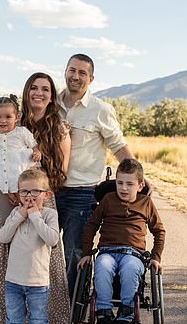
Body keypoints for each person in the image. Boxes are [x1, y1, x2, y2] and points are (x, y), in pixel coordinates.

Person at [0, 73, 71, 324]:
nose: (39, 93)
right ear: (25, 93)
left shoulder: (59, 127)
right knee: (1, 261)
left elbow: (63, 171)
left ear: (52, 94)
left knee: (42, 263)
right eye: (34, 87)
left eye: (45, 89)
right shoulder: (7, 123)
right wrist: (4, 183)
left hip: (41, 198)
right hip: (6, 196)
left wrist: (34, 195)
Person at [56, 53, 134, 297]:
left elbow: (118, 144)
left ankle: (71, 318)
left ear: (91, 78)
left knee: (75, 255)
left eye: (82, 72)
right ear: (65, 71)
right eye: (72, 70)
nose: (75, 76)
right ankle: (42, 315)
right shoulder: (51, 103)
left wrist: (136, 175)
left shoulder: (100, 109)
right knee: (38, 254)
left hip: (82, 192)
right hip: (47, 190)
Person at [77, 158, 165, 324]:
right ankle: (105, 317)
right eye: (120, 183)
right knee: (102, 267)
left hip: (134, 254)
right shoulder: (108, 200)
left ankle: (125, 319)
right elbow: (91, 225)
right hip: (107, 251)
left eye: (129, 184)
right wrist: (86, 253)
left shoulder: (146, 203)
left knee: (130, 269)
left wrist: (156, 257)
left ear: (140, 185)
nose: (124, 188)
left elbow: (159, 231)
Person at [0, 169, 59, 324]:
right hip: (14, 280)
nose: (29, 197)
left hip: (38, 283)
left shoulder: (49, 214)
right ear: (18, 193)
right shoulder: (16, 213)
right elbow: (3, 237)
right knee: (14, 320)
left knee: (38, 321)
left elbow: (52, 239)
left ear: (46, 194)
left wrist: (34, 217)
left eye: (35, 191)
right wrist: (20, 216)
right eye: (24, 192)